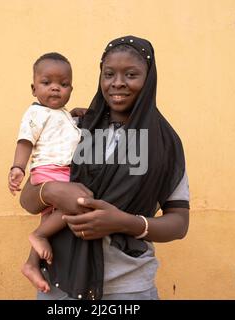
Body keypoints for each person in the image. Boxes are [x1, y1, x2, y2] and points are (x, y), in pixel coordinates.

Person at [20, 36, 190, 300]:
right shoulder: (77, 128)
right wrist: (51, 191)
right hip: (59, 284)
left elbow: (179, 223)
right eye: (109, 74)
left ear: (149, 79)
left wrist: (124, 222)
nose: (118, 83)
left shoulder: (162, 143)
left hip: (129, 288)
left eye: (131, 75)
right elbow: (29, 200)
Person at [8, 52, 83, 293]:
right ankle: (38, 235)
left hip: (60, 172)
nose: (55, 89)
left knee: (52, 218)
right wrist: (18, 167)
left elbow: (61, 131)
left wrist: (74, 115)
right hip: (50, 172)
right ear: (33, 88)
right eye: (46, 82)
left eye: (63, 84)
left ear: (71, 88)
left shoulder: (61, 114)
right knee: (79, 200)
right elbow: (25, 142)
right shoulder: (35, 113)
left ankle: (31, 264)